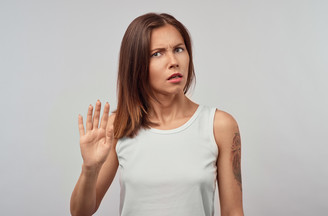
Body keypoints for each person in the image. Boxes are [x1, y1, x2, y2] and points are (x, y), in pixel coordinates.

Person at [70, 13, 244, 216]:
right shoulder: (118, 126)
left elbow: (233, 212)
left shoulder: (219, 125)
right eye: (157, 54)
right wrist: (89, 169)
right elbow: (80, 212)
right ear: (136, 65)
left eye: (179, 49)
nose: (173, 61)